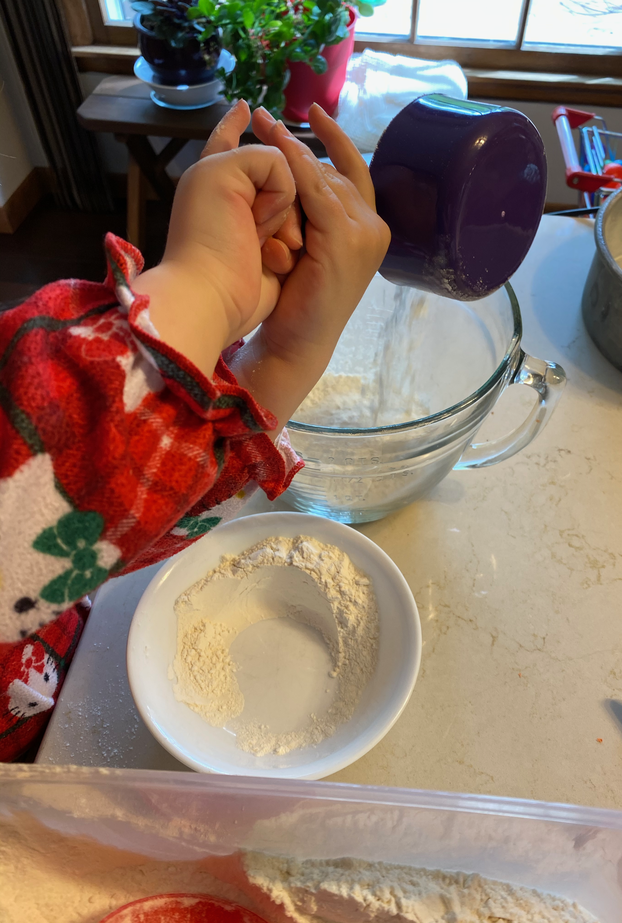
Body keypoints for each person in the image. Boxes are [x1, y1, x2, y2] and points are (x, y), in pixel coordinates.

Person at [0, 100, 391, 761]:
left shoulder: (47, 561)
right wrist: (205, 287)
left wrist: (275, 359)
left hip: (56, 677)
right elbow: (35, 490)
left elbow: (109, 527)